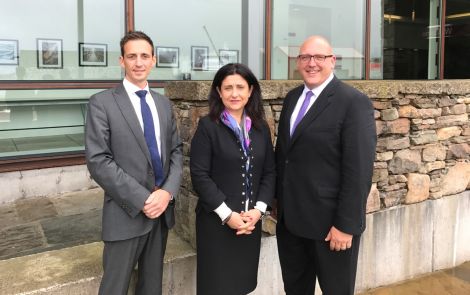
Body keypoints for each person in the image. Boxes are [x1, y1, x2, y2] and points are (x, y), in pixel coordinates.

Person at [275, 35, 377, 294]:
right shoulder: (292, 98)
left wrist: (346, 225)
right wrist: (278, 203)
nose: (312, 63)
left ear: (333, 61)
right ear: (298, 62)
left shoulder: (353, 103)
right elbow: (285, 155)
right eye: (305, 57)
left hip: (331, 229)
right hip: (291, 224)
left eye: (319, 57)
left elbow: (359, 171)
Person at [85, 31, 183, 295]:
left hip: (161, 215)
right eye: (132, 56)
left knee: (151, 288)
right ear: (121, 61)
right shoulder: (102, 103)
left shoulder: (163, 104)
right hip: (125, 213)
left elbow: (176, 151)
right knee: (114, 289)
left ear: (153, 61)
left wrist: (166, 193)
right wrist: (144, 199)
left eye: (144, 56)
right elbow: (98, 161)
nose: (138, 62)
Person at [190, 63, 276, 295]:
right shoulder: (208, 126)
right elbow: (199, 175)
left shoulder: (260, 128)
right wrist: (228, 215)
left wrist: (258, 212)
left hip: (250, 223)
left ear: (250, 91)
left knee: (243, 285)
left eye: (240, 87)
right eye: (228, 88)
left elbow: (269, 171)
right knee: (217, 286)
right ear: (219, 91)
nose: (234, 94)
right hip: (217, 223)